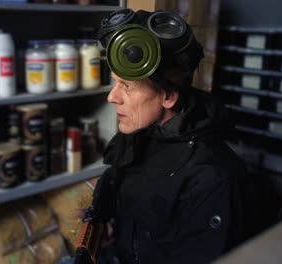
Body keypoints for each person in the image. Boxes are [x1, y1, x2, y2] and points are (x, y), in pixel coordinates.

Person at [76, 9, 261, 264]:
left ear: (168, 97)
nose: (112, 97)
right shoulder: (139, 135)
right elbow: (119, 194)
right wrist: (108, 227)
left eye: (127, 86)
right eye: (116, 82)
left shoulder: (214, 180)